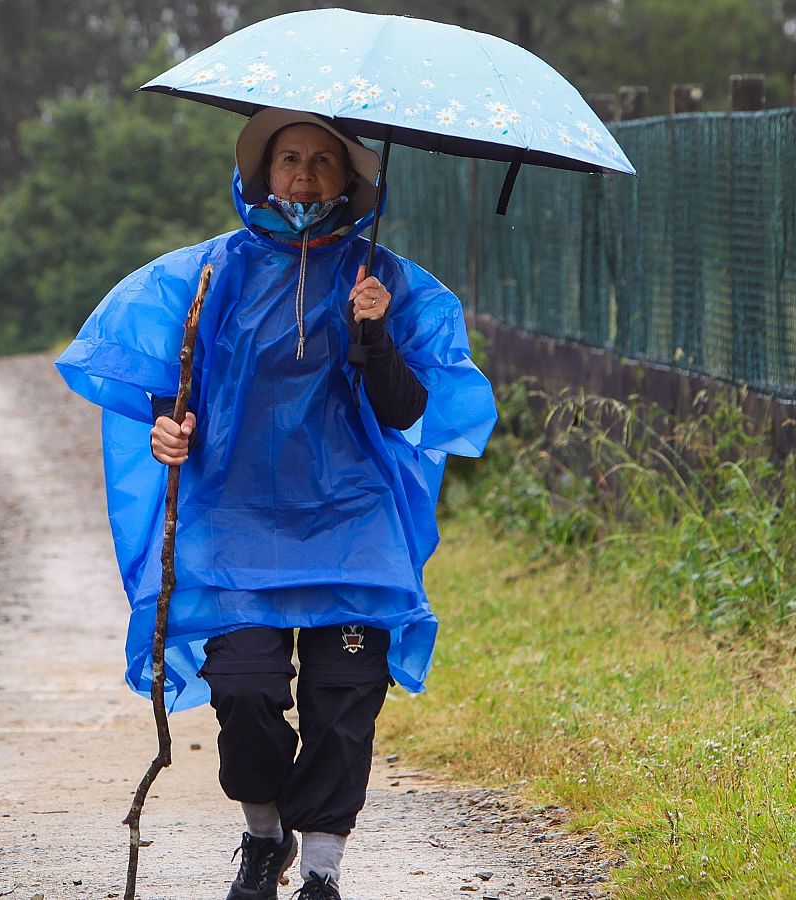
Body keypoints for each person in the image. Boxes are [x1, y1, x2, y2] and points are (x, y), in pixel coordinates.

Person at [57, 108, 496, 900]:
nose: (302, 175)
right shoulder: (201, 277)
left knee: (344, 699)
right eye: (287, 158)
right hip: (232, 526)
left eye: (323, 161)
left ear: (351, 180)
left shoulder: (387, 284)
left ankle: (322, 869)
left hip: (353, 527)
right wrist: (169, 433)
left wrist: (376, 334)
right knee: (248, 687)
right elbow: (167, 393)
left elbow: (407, 413)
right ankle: (265, 838)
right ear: (261, 174)